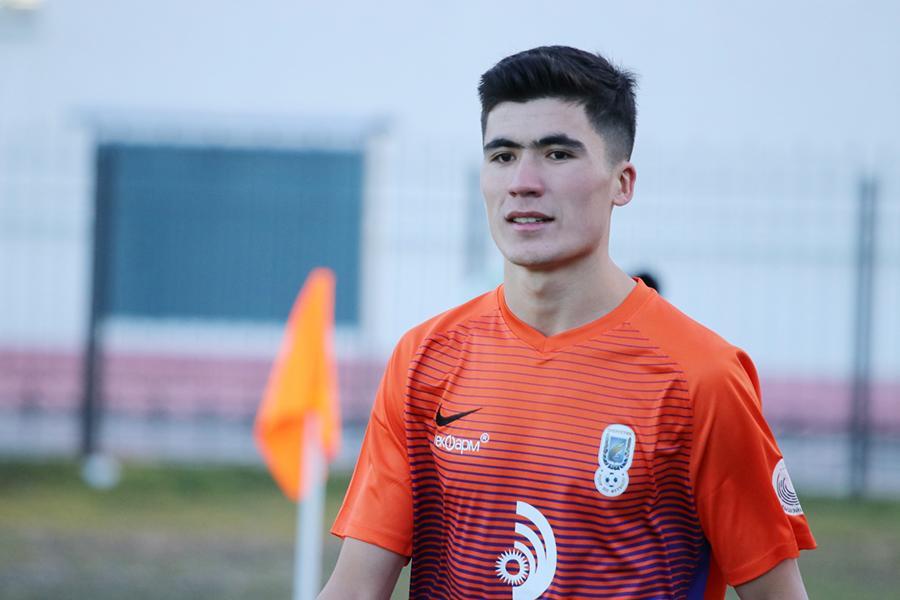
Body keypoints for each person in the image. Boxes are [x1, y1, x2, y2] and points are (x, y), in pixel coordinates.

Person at [319, 45, 815, 600]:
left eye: (557, 154)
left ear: (622, 183)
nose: (523, 181)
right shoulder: (424, 359)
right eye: (502, 155)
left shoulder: (703, 378)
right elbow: (355, 588)